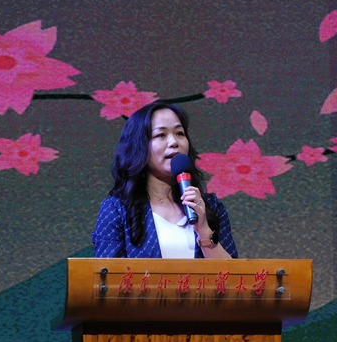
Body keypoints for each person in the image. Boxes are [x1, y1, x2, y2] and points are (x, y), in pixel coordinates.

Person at [92, 102, 238, 259]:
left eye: (180, 133)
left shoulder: (210, 206)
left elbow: (234, 273)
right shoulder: (117, 208)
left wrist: (203, 229)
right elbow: (106, 271)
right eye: (161, 135)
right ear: (139, 146)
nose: (174, 142)